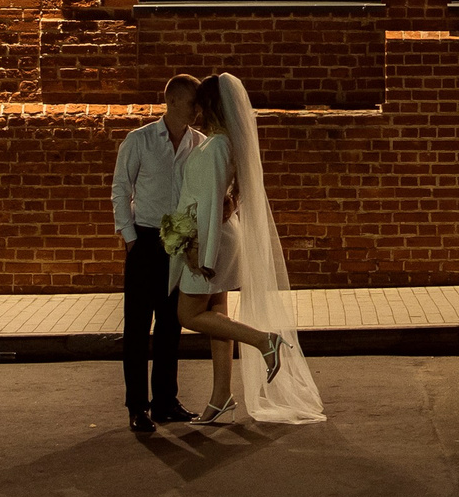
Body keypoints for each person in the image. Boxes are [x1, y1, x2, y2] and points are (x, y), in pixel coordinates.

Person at [168, 72, 325, 425]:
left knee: (188, 315)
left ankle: (264, 340)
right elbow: (225, 198)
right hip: (221, 236)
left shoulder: (216, 146)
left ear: (211, 105)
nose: (195, 109)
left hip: (208, 241)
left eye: (200, 103)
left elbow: (208, 203)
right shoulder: (225, 143)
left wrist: (200, 254)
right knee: (217, 320)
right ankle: (221, 396)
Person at [111, 72, 203, 433]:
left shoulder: (201, 143)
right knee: (137, 326)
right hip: (146, 239)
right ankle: (137, 406)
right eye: (193, 102)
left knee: (170, 324)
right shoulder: (140, 140)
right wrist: (130, 238)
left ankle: (165, 401)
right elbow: (121, 187)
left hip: (180, 242)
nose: (197, 110)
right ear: (174, 101)